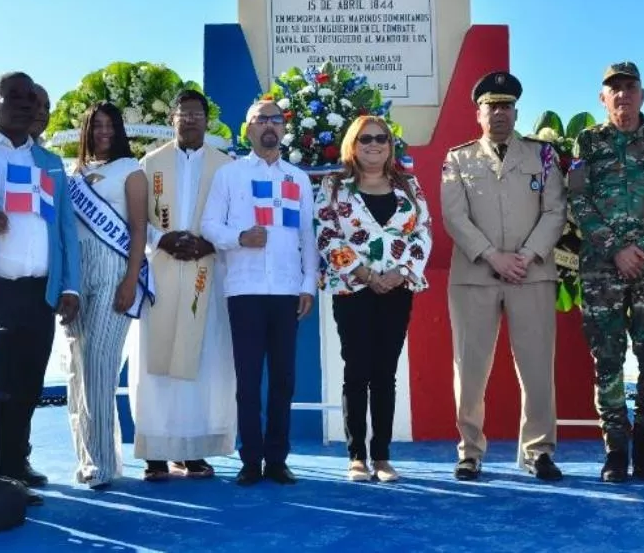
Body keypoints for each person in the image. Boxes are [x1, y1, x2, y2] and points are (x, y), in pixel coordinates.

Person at [441, 71, 566, 482]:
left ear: (516, 111)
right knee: (471, 366)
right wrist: (493, 256)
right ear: (478, 112)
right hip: (476, 274)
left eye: (506, 106)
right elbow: (454, 216)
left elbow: (555, 211)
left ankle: (538, 449)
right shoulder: (458, 158)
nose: (499, 113)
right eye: (491, 106)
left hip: (531, 273)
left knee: (536, 366)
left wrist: (526, 255)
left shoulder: (542, 156)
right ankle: (470, 450)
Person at [568, 61, 644, 483]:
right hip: (603, 268)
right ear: (603, 98)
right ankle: (615, 451)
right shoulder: (588, 141)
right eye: (613, 89)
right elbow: (578, 201)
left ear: (641, 94)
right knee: (608, 360)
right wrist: (616, 248)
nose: (622, 94)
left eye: (629, 87)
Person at [0, 72, 81, 489]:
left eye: (31, 98)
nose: (24, 104)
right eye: (13, 96)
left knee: (27, 384)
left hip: (39, 293)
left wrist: (69, 287)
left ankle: (15, 465)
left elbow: (66, 230)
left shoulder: (50, 163)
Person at [200, 100, 318, 486]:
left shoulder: (298, 179)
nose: (269, 126)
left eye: (275, 119)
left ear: (284, 129)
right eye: (260, 120)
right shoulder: (230, 175)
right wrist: (239, 238)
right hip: (245, 290)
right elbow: (209, 226)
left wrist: (307, 285)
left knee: (283, 379)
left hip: (286, 290)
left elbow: (307, 236)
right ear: (247, 129)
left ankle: (278, 459)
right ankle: (250, 460)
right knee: (248, 380)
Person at [315, 115, 433, 483]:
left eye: (381, 138)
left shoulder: (408, 184)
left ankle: (381, 456)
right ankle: (356, 457)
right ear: (353, 143)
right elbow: (326, 233)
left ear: (390, 144)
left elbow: (423, 232)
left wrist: (399, 273)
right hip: (354, 289)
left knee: (385, 372)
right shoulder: (335, 185)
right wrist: (365, 274)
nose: (374, 144)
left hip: (397, 290)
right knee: (357, 370)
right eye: (365, 139)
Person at [129, 90, 236, 481]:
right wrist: (161, 240)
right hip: (162, 267)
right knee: (155, 361)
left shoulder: (225, 166)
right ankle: (156, 450)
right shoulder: (151, 163)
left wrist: (211, 242)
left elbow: (233, 214)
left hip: (206, 269)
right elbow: (137, 214)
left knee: (202, 358)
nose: (190, 120)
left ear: (208, 120)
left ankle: (192, 450)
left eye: (197, 114)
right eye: (183, 113)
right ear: (172, 118)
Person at [64, 102, 152, 489]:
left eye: (109, 125)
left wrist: (131, 279)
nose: (103, 132)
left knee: (100, 362)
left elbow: (138, 229)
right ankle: (88, 456)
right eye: (96, 126)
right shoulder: (73, 173)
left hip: (115, 269)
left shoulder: (130, 170)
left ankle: (100, 462)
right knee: (77, 367)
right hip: (77, 272)